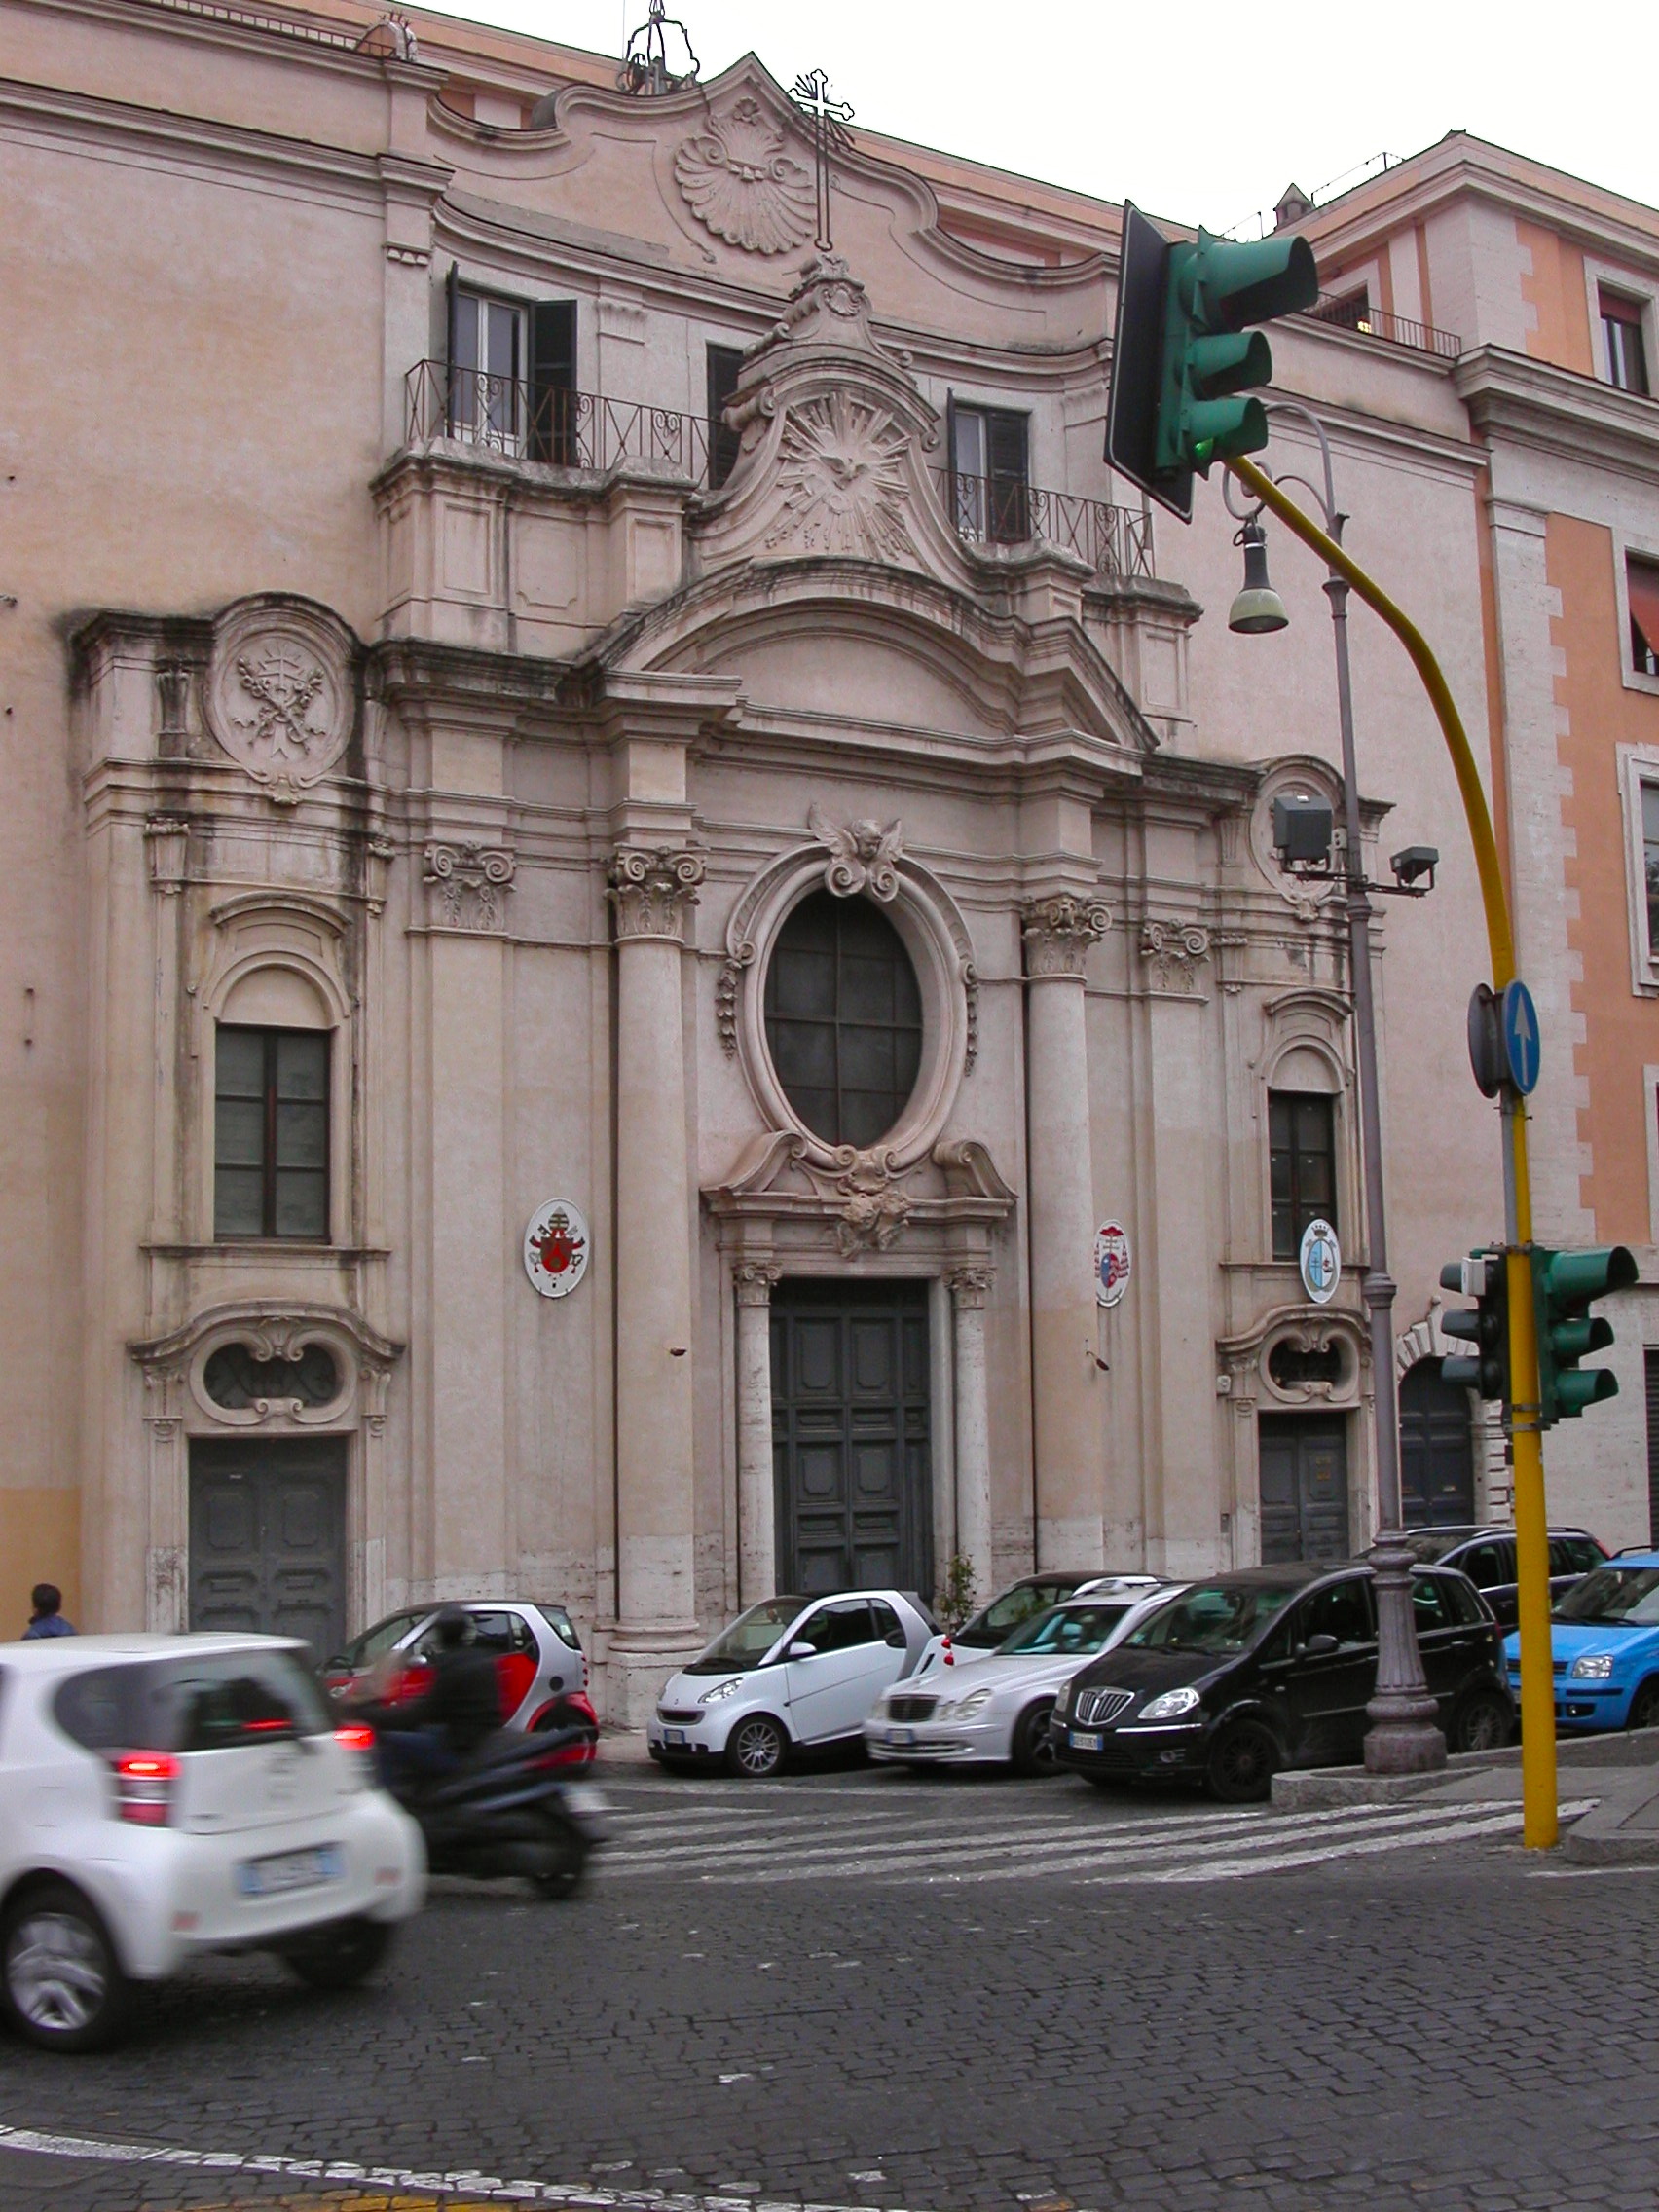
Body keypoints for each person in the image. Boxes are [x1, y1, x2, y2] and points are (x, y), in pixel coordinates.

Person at [362, 1606, 501, 1790]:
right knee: (425, 1731)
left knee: (389, 1741)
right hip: (476, 1738)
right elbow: (438, 1706)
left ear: (441, 1636)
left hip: (460, 1748)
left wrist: (375, 1716)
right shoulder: (479, 1658)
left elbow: (423, 1712)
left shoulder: (452, 1664)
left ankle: (392, 1802)